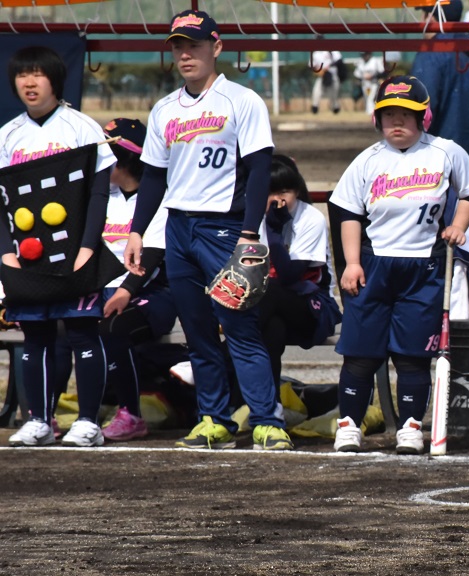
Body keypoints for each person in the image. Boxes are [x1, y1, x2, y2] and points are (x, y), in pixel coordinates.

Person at [124, 9, 293, 451]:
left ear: (216, 47)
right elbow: (154, 177)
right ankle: (213, 418)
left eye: (194, 44)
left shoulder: (242, 100)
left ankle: (265, 419)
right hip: (178, 227)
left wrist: (249, 232)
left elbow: (259, 170)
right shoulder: (163, 109)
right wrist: (138, 230)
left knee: (239, 326)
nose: (185, 53)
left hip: (225, 226)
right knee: (195, 329)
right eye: (178, 46)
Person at [329, 75, 469, 455]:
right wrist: (351, 263)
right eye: (388, 115)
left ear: (424, 117)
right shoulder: (368, 160)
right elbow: (347, 211)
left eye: (407, 114)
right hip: (374, 263)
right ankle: (349, 424)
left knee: (413, 354)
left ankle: (411, 427)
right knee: (361, 352)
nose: (397, 122)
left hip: (424, 266)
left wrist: (458, 226)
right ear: (376, 119)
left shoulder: (445, 152)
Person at [0, 46, 116, 447]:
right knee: (35, 336)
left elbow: (99, 195)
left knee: (83, 332)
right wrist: (4, 252)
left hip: (75, 253)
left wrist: (87, 247)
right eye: (22, 75)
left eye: (38, 74)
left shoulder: (82, 128)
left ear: (55, 79)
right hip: (24, 256)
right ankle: (39, 420)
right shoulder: (8, 135)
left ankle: (88, 422)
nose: (29, 83)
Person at [98, 118, 177, 441]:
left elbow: (153, 260)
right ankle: (44, 415)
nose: (98, 162)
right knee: (53, 321)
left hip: (152, 293)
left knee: (112, 324)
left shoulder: (158, 197)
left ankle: (130, 414)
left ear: (125, 159)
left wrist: (123, 291)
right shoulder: (101, 196)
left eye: (105, 154)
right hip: (101, 289)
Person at [259, 154, 341, 392]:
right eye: (269, 192)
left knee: (271, 289)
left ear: (297, 190)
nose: (277, 200)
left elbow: (288, 276)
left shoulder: (310, 219)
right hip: (270, 310)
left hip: (312, 307)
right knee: (272, 331)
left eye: (284, 191)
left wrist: (274, 232)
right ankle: (269, 410)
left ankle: (220, 358)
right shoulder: (252, 218)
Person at [411, 0, 469, 181]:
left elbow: (419, 114)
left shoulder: (430, 56)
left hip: (437, 169)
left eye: (424, 14)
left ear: (431, 17)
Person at [310, 50, 343, 115]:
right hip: (322, 76)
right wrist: (318, 70)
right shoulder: (315, 53)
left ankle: (335, 107)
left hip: (333, 75)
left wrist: (329, 66)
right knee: (317, 91)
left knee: (334, 93)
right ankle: (315, 107)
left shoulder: (332, 51)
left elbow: (339, 61)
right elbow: (311, 65)